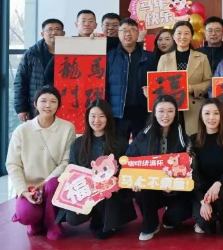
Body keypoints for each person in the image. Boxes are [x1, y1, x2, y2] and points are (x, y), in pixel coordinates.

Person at [6, 86, 76, 240]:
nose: (48, 105)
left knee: (52, 184)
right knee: (26, 215)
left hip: (55, 184)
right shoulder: (22, 130)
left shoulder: (67, 128)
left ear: (58, 105)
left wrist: (45, 182)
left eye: (53, 101)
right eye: (43, 101)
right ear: (35, 104)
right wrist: (23, 190)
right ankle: (36, 221)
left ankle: (52, 223)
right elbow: (13, 164)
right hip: (31, 188)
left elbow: (66, 162)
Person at [59, 100, 136, 238]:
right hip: (87, 192)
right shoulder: (78, 144)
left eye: (101, 116)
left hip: (112, 195)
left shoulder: (120, 143)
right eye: (93, 116)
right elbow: (72, 171)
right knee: (72, 218)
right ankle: (97, 216)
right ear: (87, 117)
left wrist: (112, 182)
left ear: (108, 118)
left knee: (109, 192)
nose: (96, 120)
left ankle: (110, 223)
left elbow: (127, 171)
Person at [128, 95, 192, 241]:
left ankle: (169, 218)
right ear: (154, 113)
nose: (165, 115)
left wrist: (174, 185)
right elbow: (129, 159)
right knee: (141, 191)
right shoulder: (143, 135)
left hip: (174, 190)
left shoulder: (183, 137)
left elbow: (190, 167)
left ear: (175, 113)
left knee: (179, 214)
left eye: (170, 111)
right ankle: (150, 224)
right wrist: (134, 179)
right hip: (151, 189)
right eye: (161, 111)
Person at [190, 99, 223, 238]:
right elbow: (193, 174)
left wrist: (218, 184)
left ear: (221, 115)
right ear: (201, 116)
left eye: (216, 113)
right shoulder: (193, 141)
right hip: (203, 191)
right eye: (207, 113)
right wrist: (203, 201)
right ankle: (207, 217)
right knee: (206, 225)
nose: (211, 117)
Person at [157, 21, 212, 135]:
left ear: (191, 36)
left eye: (186, 33)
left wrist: (193, 88)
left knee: (193, 140)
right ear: (173, 36)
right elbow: (159, 83)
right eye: (179, 33)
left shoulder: (202, 58)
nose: (183, 36)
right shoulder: (164, 59)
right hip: (170, 107)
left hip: (194, 107)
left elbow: (208, 82)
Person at [106, 18, 157, 141]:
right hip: (117, 112)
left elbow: (157, 83)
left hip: (142, 111)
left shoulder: (150, 57)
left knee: (143, 145)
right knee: (118, 146)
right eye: (124, 30)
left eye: (132, 30)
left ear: (138, 34)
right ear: (118, 33)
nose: (128, 34)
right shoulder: (110, 56)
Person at [14, 19, 65, 123]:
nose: (54, 32)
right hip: (38, 105)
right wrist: (21, 108)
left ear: (63, 33)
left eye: (57, 29)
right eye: (49, 29)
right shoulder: (31, 54)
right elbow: (20, 81)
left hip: (64, 104)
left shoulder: (71, 53)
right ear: (42, 34)